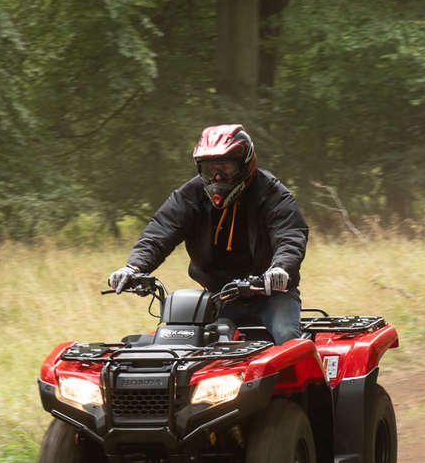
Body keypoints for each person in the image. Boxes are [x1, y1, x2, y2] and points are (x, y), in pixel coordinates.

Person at [108, 124, 309, 343]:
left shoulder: (273, 194)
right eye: (209, 169)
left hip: (272, 294)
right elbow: (160, 231)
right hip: (220, 295)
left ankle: (309, 378)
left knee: (287, 338)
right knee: (184, 344)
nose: (217, 177)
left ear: (245, 164)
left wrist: (280, 268)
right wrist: (133, 267)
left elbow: (290, 236)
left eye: (226, 168)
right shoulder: (190, 195)